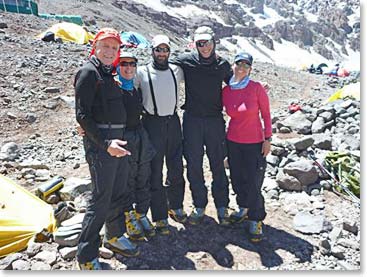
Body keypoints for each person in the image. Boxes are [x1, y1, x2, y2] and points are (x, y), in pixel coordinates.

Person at [74, 28, 139, 270]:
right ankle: (86, 256)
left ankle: (114, 235)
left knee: (118, 193)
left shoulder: (109, 73)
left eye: (114, 47)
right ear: (95, 46)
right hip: (103, 146)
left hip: (118, 141)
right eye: (106, 46)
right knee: (100, 199)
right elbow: (82, 114)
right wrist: (105, 143)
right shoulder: (88, 72)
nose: (110, 51)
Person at [171, 26, 232, 226]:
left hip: (215, 120)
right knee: (194, 165)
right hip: (192, 121)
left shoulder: (223, 64)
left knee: (218, 164)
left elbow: (235, 84)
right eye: (200, 43)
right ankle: (199, 205)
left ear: (214, 42)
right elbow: (161, 66)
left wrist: (256, 88)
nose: (204, 47)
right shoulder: (186, 60)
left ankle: (222, 206)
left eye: (207, 42)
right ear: (194, 44)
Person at [135, 34, 186, 235]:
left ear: (169, 52)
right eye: (158, 49)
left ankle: (176, 205)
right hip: (152, 123)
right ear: (152, 51)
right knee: (155, 171)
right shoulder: (141, 72)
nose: (162, 53)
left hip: (173, 122)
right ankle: (159, 216)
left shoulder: (176, 70)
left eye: (165, 50)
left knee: (176, 166)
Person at [222, 52, 272, 243]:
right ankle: (243, 207)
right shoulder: (226, 91)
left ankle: (256, 218)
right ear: (233, 66)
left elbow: (266, 115)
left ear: (250, 69)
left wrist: (267, 139)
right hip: (233, 141)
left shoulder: (257, 88)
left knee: (253, 181)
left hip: (254, 142)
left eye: (246, 65)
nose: (241, 68)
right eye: (238, 64)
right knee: (236, 178)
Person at [114, 51, 157, 240]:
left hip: (140, 134)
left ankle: (141, 212)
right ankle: (128, 215)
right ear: (118, 66)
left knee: (143, 174)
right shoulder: (113, 88)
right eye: (124, 64)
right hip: (124, 137)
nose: (129, 67)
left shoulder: (135, 88)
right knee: (127, 178)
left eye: (132, 64)